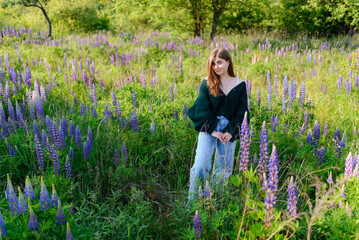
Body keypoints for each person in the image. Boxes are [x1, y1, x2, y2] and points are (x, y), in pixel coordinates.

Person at [187, 48, 249, 201]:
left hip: (230, 129)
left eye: (220, 62)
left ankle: (216, 203)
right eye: (213, 64)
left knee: (223, 169)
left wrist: (231, 131)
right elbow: (201, 108)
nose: (216, 67)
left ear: (228, 62)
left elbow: (242, 111)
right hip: (209, 127)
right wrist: (213, 129)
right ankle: (194, 202)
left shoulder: (240, 85)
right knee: (200, 165)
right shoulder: (207, 83)